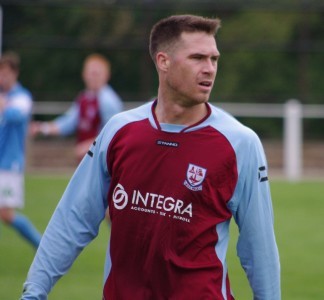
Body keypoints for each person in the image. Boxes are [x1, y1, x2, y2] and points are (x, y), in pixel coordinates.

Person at [21, 14, 280, 299]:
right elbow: (72, 217)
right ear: (163, 61)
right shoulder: (120, 131)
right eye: (197, 58)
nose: (209, 69)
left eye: (214, 59)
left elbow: (260, 246)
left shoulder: (240, 143)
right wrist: (34, 291)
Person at [30, 53, 123, 162]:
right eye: (91, 73)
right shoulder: (83, 98)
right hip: (88, 160)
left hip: (102, 161)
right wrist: (42, 128)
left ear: (106, 75)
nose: (93, 77)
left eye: (97, 73)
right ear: (84, 74)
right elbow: (68, 122)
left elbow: (113, 134)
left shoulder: (109, 101)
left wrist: (90, 146)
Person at [0, 51, 42, 249]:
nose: (3, 78)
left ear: (15, 73)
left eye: (6, 73)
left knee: (6, 215)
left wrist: (4, 106)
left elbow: (18, 115)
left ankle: (42, 246)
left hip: (10, 163)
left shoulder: (21, 97)